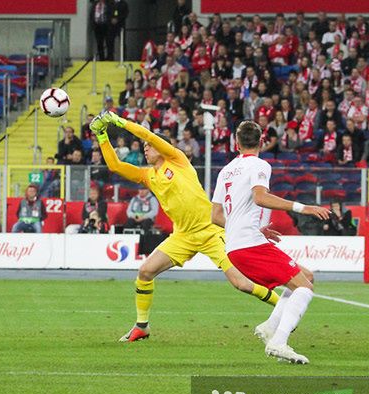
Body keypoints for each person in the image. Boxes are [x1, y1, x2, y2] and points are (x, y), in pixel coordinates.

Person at [90, 111, 282, 343]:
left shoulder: (177, 159)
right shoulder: (148, 175)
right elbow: (115, 165)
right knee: (145, 272)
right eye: (145, 147)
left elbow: (144, 133)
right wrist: (102, 134)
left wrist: (119, 122)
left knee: (241, 283)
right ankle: (142, 326)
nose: (145, 149)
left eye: (149, 146)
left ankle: (283, 306)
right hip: (182, 235)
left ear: (161, 147)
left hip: (211, 231)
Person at [211, 120, 330, 364]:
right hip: (249, 245)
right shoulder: (259, 165)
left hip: (238, 245)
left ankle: (269, 328)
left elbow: (215, 216)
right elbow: (261, 197)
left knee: (306, 277)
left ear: (236, 143)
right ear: (262, 142)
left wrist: (255, 229)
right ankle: (279, 342)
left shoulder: (226, 171)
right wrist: (303, 207)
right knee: (305, 288)